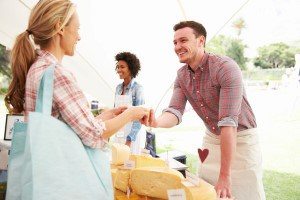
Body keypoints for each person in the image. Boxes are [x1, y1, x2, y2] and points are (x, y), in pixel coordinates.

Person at [4, 0, 149, 150]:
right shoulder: (57, 74)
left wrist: (109, 115)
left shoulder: (37, 67)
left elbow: (71, 129)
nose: (78, 37)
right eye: (77, 29)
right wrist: (130, 114)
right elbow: (94, 135)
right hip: (58, 170)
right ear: (59, 27)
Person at [148, 21, 265, 200]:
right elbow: (174, 111)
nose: (178, 46)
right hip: (212, 138)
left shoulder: (225, 67)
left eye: (183, 40)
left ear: (201, 41)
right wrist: (155, 121)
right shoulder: (181, 75)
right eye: (175, 42)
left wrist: (225, 176)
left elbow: (228, 124)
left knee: (245, 194)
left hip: (240, 138)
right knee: (207, 192)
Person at [113, 52, 146, 154]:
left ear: (130, 68)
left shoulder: (137, 88)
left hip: (131, 137)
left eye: (122, 67)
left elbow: (140, 117)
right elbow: (115, 112)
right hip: (118, 132)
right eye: (117, 67)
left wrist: (129, 140)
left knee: (128, 165)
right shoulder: (118, 88)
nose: (118, 70)